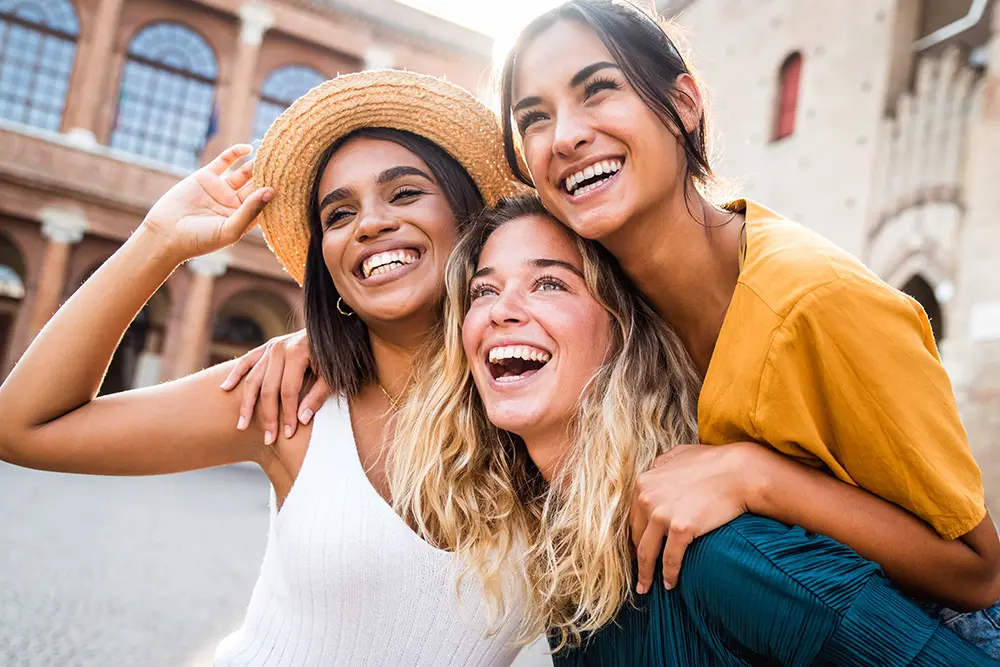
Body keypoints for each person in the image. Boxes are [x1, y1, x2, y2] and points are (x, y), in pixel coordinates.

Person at [497, 0, 1000, 655]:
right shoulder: (608, 304)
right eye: (535, 118)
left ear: (683, 105)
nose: (565, 135)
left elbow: (979, 570)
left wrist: (753, 475)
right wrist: (326, 352)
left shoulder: (816, 301)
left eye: (599, 90)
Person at [0, 70, 530, 666]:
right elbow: (24, 426)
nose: (370, 223)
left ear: (471, 218)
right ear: (328, 266)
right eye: (337, 215)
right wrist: (158, 241)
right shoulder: (289, 403)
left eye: (405, 193)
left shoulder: (543, 411)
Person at [393, 193, 999, 664]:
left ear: (623, 331)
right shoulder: (566, 561)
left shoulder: (724, 555)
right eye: (484, 290)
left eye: (549, 282)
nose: (502, 310)